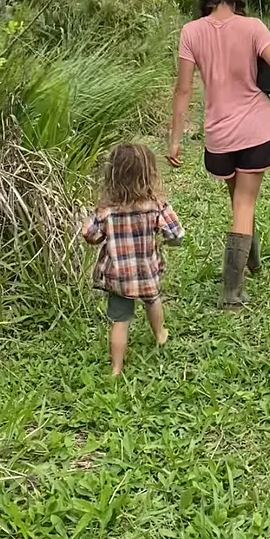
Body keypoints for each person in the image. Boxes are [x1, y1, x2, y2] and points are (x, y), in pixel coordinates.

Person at [168, 0, 270, 309]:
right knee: (245, 203)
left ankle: (252, 261)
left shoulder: (190, 32)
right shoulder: (253, 27)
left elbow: (183, 90)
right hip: (255, 132)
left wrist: (174, 139)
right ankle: (231, 294)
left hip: (218, 138)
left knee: (239, 202)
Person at [82, 143, 184, 376]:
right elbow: (176, 233)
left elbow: (89, 234)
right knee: (153, 301)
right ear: (149, 175)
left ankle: (116, 368)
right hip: (147, 271)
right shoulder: (156, 206)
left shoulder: (106, 210)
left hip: (118, 276)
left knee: (120, 320)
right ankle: (159, 334)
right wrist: (167, 240)